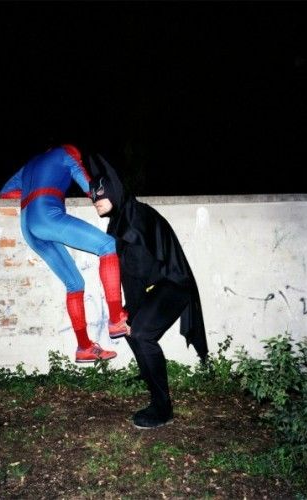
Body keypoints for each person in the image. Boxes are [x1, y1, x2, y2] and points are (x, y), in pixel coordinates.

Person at [88, 154, 209, 429]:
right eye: (92, 196)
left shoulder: (134, 220)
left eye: (101, 193)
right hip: (158, 285)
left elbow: (139, 272)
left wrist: (130, 316)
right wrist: (126, 315)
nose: (95, 200)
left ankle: (163, 408)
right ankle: (155, 392)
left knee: (140, 332)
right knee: (130, 332)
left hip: (174, 285)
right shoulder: (121, 218)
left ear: (115, 191)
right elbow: (133, 276)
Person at [0, 144, 128, 363]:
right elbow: (90, 188)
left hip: (28, 226)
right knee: (107, 245)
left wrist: (37, 189)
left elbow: (6, 193)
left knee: (75, 283)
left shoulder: (31, 164)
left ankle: (84, 347)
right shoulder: (66, 153)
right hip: (47, 216)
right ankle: (116, 319)